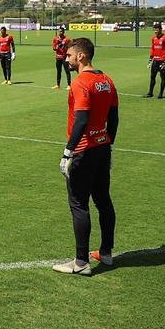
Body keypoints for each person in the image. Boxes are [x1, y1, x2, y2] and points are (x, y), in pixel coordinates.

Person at [53, 38, 119, 275]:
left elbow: (81, 119)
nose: (66, 59)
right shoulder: (107, 81)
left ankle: (81, 262)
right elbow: (114, 118)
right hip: (102, 147)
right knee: (103, 200)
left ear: (81, 56)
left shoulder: (81, 82)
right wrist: (108, 144)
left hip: (83, 150)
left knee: (79, 204)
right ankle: (107, 252)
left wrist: (68, 151)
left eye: (69, 55)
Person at [146, 22, 165, 98]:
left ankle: (161, 94)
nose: (155, 31)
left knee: (162, 77)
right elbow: (152, 48)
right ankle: (150, 92)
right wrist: (150, 58)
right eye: (155, 29)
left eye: (157, 29)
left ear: (160, 29)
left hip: (162, 60)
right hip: (155, 60)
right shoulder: (153, 38)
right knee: (152, 77)